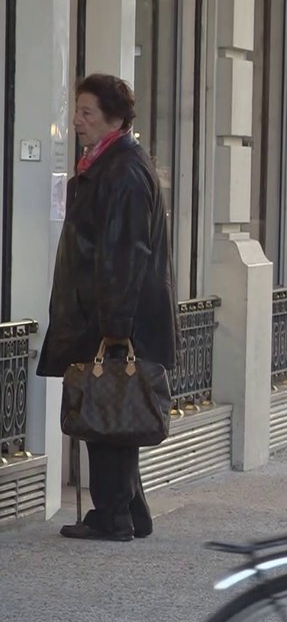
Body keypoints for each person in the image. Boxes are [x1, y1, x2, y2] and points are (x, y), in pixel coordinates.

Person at [38, 74, 178, 542]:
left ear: (113, 118)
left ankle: (112, 516)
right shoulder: (111, 164)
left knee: (107, 415)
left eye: (87, 113)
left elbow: (124, 252)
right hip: (107, 315)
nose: (77, 121)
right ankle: (130, 511)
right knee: (114, 412)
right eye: (77, 111)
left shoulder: (121, 170)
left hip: (113, 319)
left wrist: (115, 327)